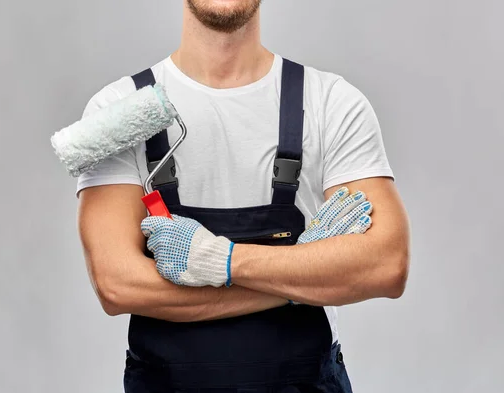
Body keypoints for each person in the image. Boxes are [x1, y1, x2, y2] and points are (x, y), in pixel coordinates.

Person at [75, 1, 410, 392]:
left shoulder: (331, 102)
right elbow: (118, 285)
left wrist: (217, 261)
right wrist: (299, 275)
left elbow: (386, 266)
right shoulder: (114, 112)